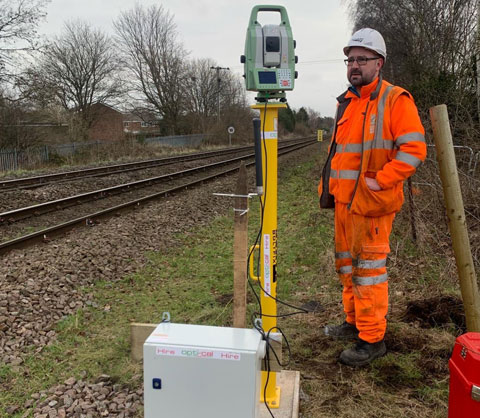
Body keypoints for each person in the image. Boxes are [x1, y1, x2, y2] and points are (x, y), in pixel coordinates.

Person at [318, 28, 427, 366]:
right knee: (348, 269)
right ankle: (353, 323)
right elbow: (342, 152)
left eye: (361, 59)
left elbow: (414, 149)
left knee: (369, 274)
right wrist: (329, 188)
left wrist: (381, 182)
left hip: (372, 206)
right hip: (344, 204)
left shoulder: (395, 99)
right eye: (350, 59)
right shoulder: (348, 102)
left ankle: (372, 339)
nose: (354, 65)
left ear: (378, 63)